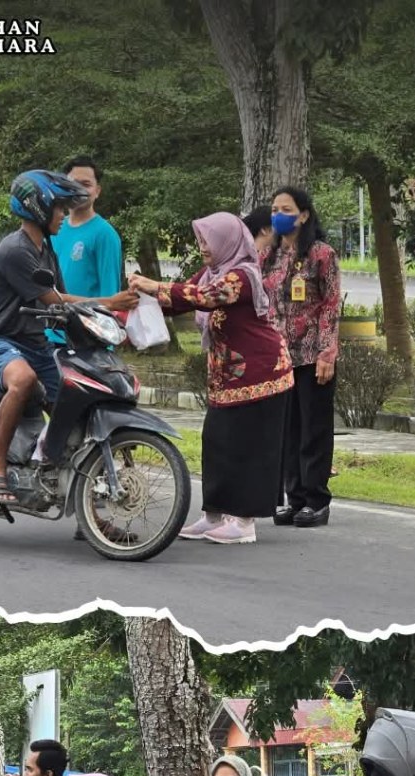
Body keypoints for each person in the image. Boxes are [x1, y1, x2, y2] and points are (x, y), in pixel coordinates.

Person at [0, 169, 138, 506]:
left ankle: (78, 497)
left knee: (75, 403)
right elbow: (54, 300)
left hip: (37, 345)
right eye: (59, 208)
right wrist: (110, 302)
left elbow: (63, 302)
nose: (64, 215)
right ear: (39, 209)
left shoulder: (46, 250)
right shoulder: (15, 249)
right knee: (23, 380)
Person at [129, 213, 293, 545]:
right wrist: (134, 297)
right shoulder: (212, 272)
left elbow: (203, 297)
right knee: (217, 442)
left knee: (249, 446)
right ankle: (213, 515)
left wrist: (153, 285)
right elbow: (182, 298)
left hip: (262, 373)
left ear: (227, 241)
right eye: (201, 241)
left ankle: (244, 522)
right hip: (228, 376)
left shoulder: (241, 276)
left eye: (208, 240)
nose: (203, 247)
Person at [260, 187, 341, 529]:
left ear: (304, 215)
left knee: (313, 430)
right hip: (279, 357)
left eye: (286, 209)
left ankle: (315, 500)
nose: (279, 215)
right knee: (288, 431)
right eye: (275, 209)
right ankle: (294, 498)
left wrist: (327, 352)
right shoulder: (268, 255)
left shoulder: (321, 254)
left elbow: (331, 305)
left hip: (312, 355)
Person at [51, 156, 123, 298]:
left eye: (86, 184)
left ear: (97, 191)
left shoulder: (105, 234)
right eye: (73, 184)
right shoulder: (54, 229)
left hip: (88, 313)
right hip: (53, 311)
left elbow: (111, 297)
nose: (79, 190)